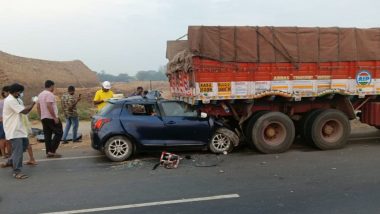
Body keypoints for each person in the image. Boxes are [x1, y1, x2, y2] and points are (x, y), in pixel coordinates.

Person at [0, 83, 36, 179]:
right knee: (18, 151)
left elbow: (25, 111)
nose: (21, 93)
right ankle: (17, 172)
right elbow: (24, 111)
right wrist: (33, 103)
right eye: (20, 92)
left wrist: (32, 104)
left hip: (19, 129)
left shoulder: (16, 99)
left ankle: (10, 161)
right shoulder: (10, 100)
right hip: (13, 129)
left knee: (24, 146)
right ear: (15, 92)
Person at [37, 80, 63, 158]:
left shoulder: (40, 94)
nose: (53, 88)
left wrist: (40, 116)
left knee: (47, 135)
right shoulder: (50, 94)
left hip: (44, 117)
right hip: (51, 117)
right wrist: (54, 117)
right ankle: (52, 151)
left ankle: (48, 151)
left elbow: (38, 106)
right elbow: (49, 105)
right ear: (51, 86)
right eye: (53, 87)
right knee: (59, 132)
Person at [0, 86, 10, 158]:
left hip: (1, 121)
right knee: (7, 138)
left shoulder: (0, 102)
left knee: (2, 138)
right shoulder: (8, 101)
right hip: (6, 122)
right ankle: (9, 153)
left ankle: (3, 154)